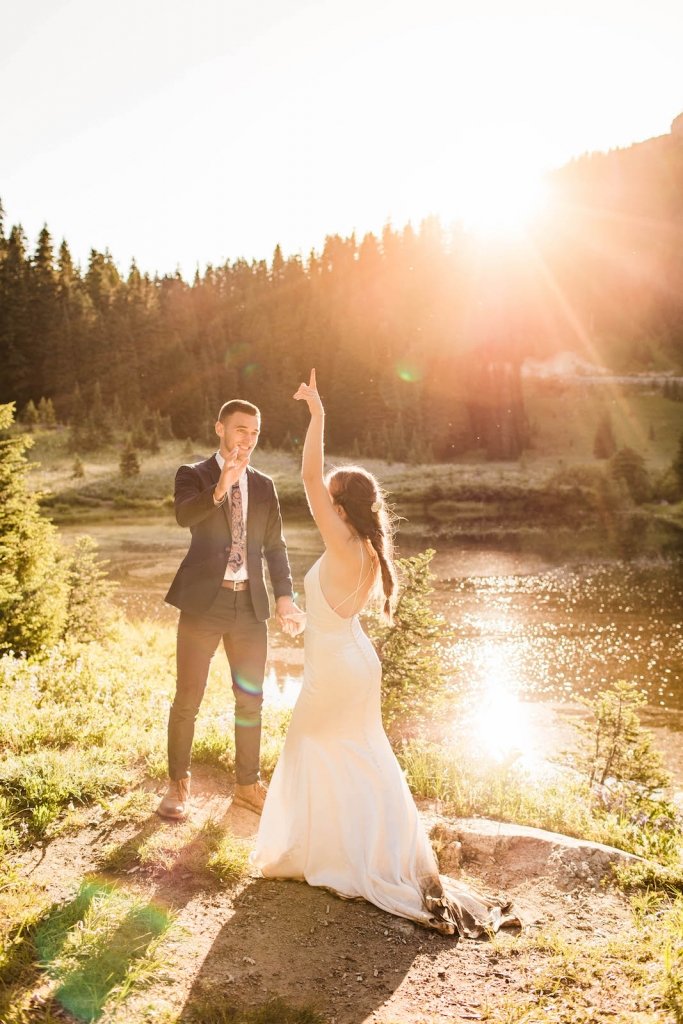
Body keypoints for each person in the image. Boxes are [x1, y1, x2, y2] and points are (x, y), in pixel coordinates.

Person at [252, 371, 520, 939]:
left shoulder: (343, 540)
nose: (321, 494)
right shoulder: (371, 548)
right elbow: (334, 615)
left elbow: (304, 475)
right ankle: (364, 853)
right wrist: (302, 617)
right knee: (358, 754)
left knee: (312, 747)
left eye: (330, 492)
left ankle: (328, 858)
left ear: (341, 506)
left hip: (339, 669)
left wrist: (317, 413)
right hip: (351, 658)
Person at [158, 399, 302, 820]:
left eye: (255, 432)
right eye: (241, 430)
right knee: (188, 697)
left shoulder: (265, 486)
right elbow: (186, 516)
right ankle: (178, 786)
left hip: (249, 608)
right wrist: (221, 486)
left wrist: (284, 596)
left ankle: (246, 786)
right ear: (219, 428)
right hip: (204, 604)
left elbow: (275, 547)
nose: (249, 439)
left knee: (251, 701)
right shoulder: (194, 474)